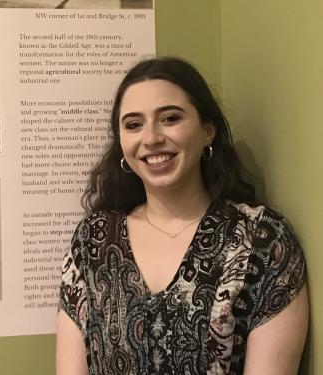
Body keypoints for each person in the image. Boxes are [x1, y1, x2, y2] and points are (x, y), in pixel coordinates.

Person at [56, 57, 308, 374]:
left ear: (208, 131)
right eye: (133, 124)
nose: (151, 138)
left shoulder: (262, 240)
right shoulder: (92, 240)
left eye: (170, 118)